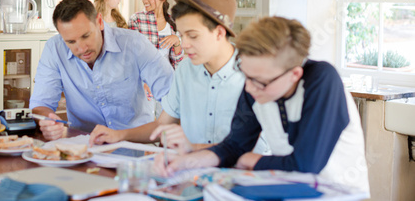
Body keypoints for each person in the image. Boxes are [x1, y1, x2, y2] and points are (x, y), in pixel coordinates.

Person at [153, 16, 370, 194]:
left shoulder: (322, 80)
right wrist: (184, 163)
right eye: (246, 76)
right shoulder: (256, 85)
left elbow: (306, 164)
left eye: (259, 81)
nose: (248, 89)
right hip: (289, 188)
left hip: (337, 192)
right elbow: (233, 147)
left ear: (294, 74)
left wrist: (251, 160)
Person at [90, 0, 266, 156]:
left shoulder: (256, 75)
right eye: (181, 35)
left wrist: (192, 148)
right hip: (191, 175)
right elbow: (163, 124)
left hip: (243, 177)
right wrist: (118, 135)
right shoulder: (185, 70)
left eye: (193, 36)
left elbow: (259, 147)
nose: (185, 44)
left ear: (219, 33)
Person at [29, 0, 174, 140]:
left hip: (135, 150)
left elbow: (174, 97)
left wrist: (163, 138)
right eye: (71, 42)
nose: (81, 48)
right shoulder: (54, 48)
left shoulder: (134, 43)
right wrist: (47, 121)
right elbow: (41, 104)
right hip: (83, 151)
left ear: (99, 22)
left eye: (86, 36)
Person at [128, 0, 183, 69]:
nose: (145, 0)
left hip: (167, 78)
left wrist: (177, 41)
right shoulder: (136, 19)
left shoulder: (173, 22)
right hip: (144, 80)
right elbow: (133, 56)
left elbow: (178, 64)